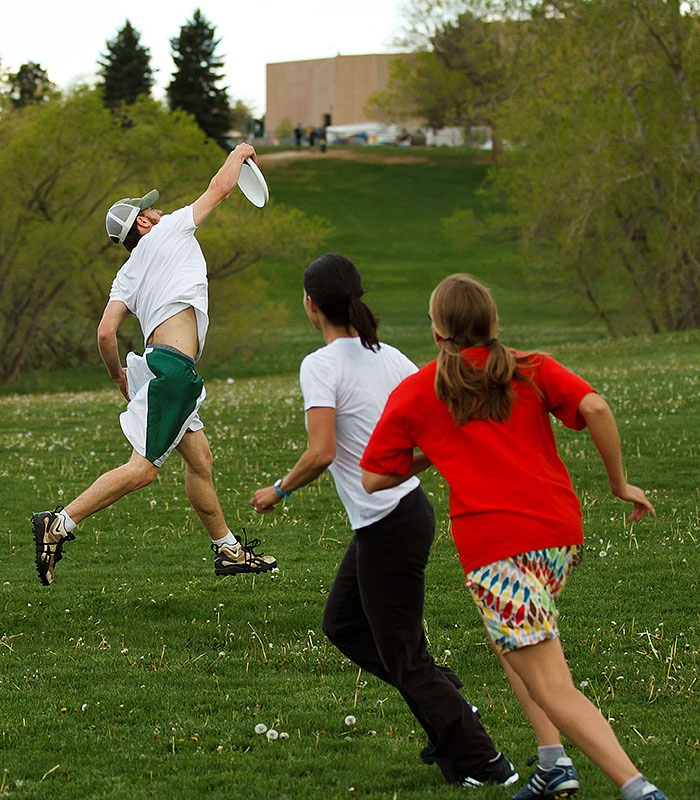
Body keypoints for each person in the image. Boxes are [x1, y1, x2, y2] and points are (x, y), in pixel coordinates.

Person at [360, 274, 668, 800]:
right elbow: (593, 407)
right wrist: (618, 483)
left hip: (497, 549)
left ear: (437, 334)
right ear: (493, 323)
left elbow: (375, 477)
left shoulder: (419, 391)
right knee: (508, 639)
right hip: (558, 538)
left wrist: (437, 451)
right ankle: (552, 764)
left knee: (551, 683)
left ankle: (638, 788)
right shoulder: (531, 367)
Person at [250, 254, 517, 788]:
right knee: (344, 625)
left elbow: (321, 452)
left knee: (404, 655)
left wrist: (277, 490)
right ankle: (444, 701)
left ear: (311, 304)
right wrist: (402, 469)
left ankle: (485, 762)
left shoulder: (321, 366)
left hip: (387, 524)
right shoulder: (391, 356)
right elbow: (431, 438)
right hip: (405, 513)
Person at [32, 143, 276, 586]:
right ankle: (59, 523)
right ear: (143, 223)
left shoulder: (126, 273)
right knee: (143, 470)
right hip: (173, 370)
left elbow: (106, 333)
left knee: (200, 460)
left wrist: (118, 376)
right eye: (149, 210)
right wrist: (240, 152)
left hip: (153, 364)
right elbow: (221, 188)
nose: (157, 210)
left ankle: (228, 551)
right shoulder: (170, 230)